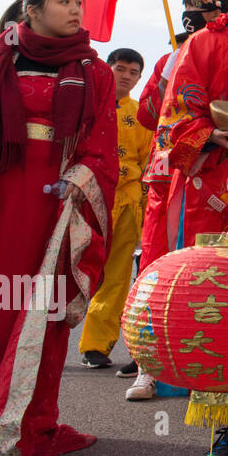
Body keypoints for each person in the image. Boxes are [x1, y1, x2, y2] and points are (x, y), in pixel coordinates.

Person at [0, 0, 117, 456]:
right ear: (31, 8)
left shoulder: (95, 73)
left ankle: (20, 423)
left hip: (56, 205)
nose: (76, 10)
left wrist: (83, 176)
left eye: (79, 1)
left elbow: (102, 138)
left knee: (41, 313)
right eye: (64, 1)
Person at [125, 0, 228, 406]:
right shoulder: (175, 57)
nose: (194, 22)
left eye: (200, 14)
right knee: (164, 265)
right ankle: (153, 363)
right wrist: (199, 132)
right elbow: (152, 115)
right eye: (189, 16)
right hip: (180, 175)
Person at [78, 48, 150, 370]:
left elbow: (149, 161)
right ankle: (43, 337)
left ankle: (95, 343)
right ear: (107, 68)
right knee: (74, 267)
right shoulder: (86, 103)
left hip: (127, 198)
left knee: (117, 274)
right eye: (120, 68)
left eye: (133, 72)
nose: (126, 76)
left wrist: (147, 207)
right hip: (86, 195)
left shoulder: (142, 113)